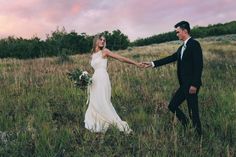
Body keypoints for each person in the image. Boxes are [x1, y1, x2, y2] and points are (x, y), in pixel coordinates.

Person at [143, 21, 203, 136]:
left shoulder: (194, 44)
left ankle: (199, 137)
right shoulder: (182, 48)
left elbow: (199, 65)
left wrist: (195, 85)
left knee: (193, 112)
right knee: (173, 105)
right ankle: (186, 124)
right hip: (184, 85)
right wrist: (152, 63)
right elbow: (171, 58)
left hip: (191, 85)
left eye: (178, 32)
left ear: (185, 31)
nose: (177, 34)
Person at [84, 33, 143, 134]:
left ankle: (114, 123)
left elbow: (121, 58)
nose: (103, 41)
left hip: (102, 78)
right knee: (95, 101)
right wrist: (85, 78)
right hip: (94, 80)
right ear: (96, 41)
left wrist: (136, 63)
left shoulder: (105, 52)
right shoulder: (92, 54)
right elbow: (95, 68)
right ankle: (96, 121)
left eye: (104, 40)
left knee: (103, 101)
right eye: (101, 39)